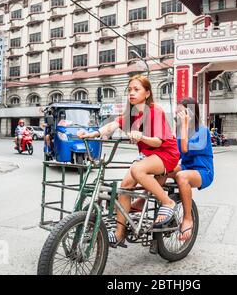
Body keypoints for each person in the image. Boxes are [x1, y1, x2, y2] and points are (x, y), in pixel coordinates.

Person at [77, 75, 180, 247]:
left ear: (147, 93)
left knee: (137, 170)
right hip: (147, 157)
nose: (131, 93)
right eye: (130, 90)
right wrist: (91, 134)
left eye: (136, 89)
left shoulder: (155, 111)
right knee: (124, 187)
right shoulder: (131, 114)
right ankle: (119, 234)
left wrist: (142, 136)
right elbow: (110, 126)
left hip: (166, 154)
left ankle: (168, 202)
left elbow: (158, 142)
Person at [132, 98, 214, 241]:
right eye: (176, 113)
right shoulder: (179, 132)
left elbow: (185, 148)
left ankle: (188, 218)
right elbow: (174, 155)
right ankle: (142, 201)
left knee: (182, 176)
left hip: (203, 171)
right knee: (165, 168)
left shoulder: (203, 131)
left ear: (191, 113)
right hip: (186, 167)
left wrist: (184, 126)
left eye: (180, 113)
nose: (177, 116)